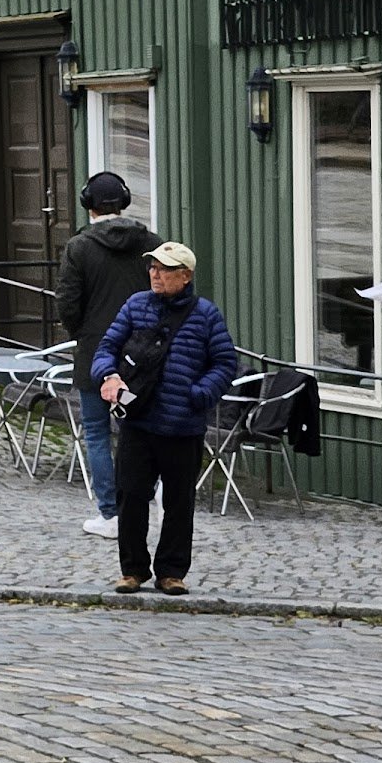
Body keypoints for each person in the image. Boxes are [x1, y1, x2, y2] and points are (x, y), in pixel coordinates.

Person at [92, 241, 239, 595]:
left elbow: (225, 363)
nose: (155, 274)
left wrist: (200, 394)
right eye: (153, 267)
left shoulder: (206, 315)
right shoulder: (135, 305)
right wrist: (109, 376)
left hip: (182, 425)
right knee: (130, 497)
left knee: (179, 502)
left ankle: (172, 572)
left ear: (185, 276)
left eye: (165, 269)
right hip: (138, 419)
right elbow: (106, 348)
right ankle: (133, 570)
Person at [54, 171, 155, 539]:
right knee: (137, 429)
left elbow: (67, 302)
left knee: (97, 432)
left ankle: (110, 515)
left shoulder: (79, 247)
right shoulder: (152, 244)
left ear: (88, 205)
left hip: (96, 356)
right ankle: (147, 501)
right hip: (141, 357)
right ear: (124, 201)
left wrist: (82, 334)